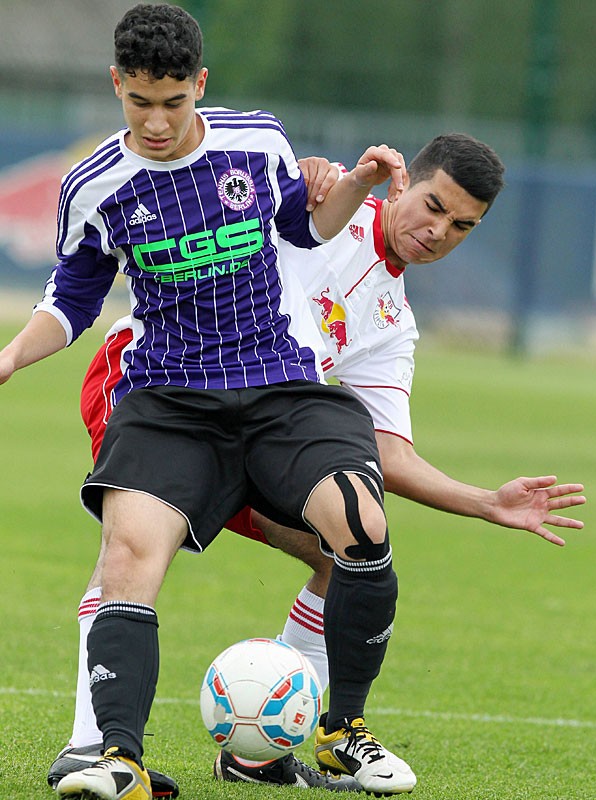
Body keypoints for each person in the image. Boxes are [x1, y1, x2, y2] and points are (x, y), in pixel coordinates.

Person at [47, 134, 586, 792]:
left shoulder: (392, 322)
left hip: (257, 428)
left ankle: (257, 748)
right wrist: (305, 176)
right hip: (153, 382)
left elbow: (389, 453)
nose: (439, 230)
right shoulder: (326, 204)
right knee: (130, 550)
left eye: (462, 226)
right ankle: (90, 746)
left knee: (345, 553)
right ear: (403, 184)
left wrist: (485, 502)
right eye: (433, 205)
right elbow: (235, 179)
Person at [0, 2, 418, 798]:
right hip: (169, 398)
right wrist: (15, 355)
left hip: (278, 386)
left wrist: (358, 183)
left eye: (173, 102)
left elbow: (303, 229)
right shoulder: (94, 186)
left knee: (361, 524)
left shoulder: (255, 140)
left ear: (200, 85)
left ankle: (340, 736)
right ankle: (114, 758)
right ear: (116, 85)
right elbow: (72, 299)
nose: (156, 122)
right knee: (127, 555)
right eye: (139, 102)